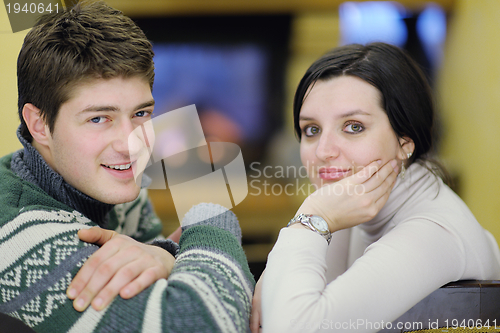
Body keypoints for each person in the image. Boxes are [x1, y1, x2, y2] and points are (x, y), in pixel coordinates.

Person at [0, 1, 254, 332]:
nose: (131, 145)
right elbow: (204, 323)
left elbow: (173, 276)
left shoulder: (112, 183)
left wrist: (163, 255)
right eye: (98, 118)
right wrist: (211, 213)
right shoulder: (20, 232)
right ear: (38, 124)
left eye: (141, 114)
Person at [251, 42, 500, 332]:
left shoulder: (433, 233)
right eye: (312, 129)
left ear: (404, 143)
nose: (323, 151)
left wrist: (310, 221)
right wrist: (271, 278)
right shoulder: (353, 205)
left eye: (354, 126)